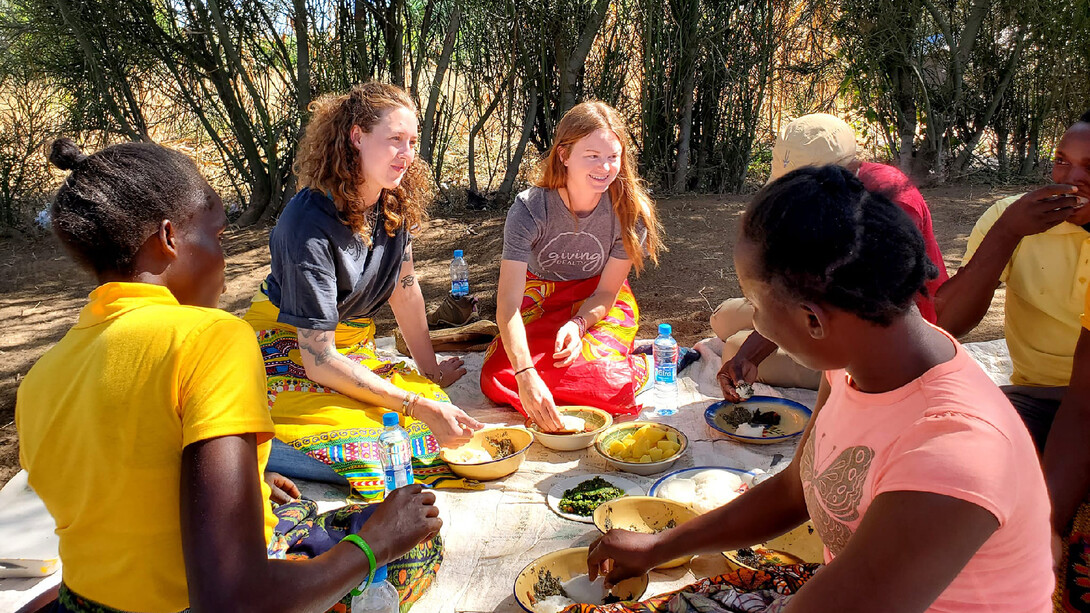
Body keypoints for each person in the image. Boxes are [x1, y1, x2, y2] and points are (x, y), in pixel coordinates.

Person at [587, 165, 1054, 613]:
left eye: (754, 304)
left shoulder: (954, 452)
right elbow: (796, 488)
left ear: (813, 320)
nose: (752, 321)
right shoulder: (854, 365)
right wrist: (659, 546)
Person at [16, 138, 443, 613]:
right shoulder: (211, 338)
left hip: (85, 605)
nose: (225, 265)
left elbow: (130, 480)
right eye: (217, 237)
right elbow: (231, 599)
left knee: (292, 509)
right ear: (168, 238)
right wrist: (375, 546)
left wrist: (248, 475)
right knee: (408, 540)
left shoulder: (40, 377)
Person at [241, 82, 483, 500]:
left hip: (349, 349)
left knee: (431, 420)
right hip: (284, 351)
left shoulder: (393, 202)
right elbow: (318, 358)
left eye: (411, 142)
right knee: (379, 453)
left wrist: (429, 375)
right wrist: (415, 404)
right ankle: (251, 446)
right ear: (356, 137)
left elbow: (404, 291)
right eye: (394, 140)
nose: (406, 154)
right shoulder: (307, 224)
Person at [716, 113, 948, 401]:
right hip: (816, 304)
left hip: (863, 330)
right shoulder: (826, 203)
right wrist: (752, 350)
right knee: (722, 319)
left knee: (733, 346)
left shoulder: (885, 208)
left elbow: (834, 303)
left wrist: (749, 352)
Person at [479, 101, 664, 429]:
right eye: (592, 156)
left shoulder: (628, 212)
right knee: (500, 377)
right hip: (540, 301)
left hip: (597, 303)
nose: (605, 167)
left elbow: (607, 292)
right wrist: (525, 374)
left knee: (604, 381)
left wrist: (579, 325)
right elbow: (507, 307)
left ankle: (641, 364)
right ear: (564, 155)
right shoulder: (529, 210)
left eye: (613, 156)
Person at [934, 111, 1090, 451]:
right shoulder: (1014, 218)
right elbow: (947, 322)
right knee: (954, 445)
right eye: (1062, 162)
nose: (1073, 179)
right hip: (1037, 398)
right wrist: (1007, 232)